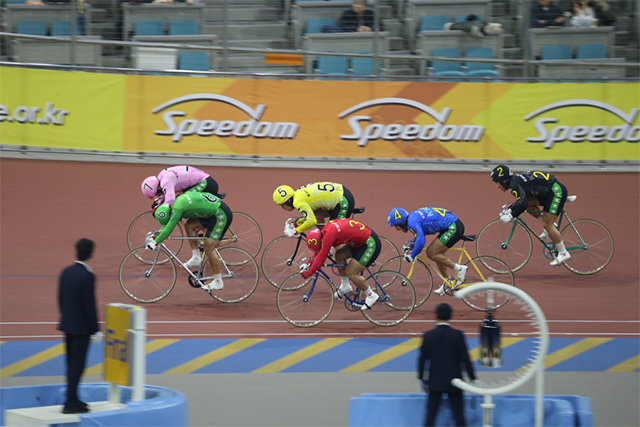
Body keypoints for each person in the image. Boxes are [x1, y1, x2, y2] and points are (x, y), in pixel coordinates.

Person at [146, 192, 233, 291]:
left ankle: (218, 281)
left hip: (220, 215)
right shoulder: (175, 204)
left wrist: (156, 242)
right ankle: (196, 257)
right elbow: (168, 224)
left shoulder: (177, 209)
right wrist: (156, 237)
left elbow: (169, 227)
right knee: (189, 225)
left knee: (209, 248)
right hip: (213, 212)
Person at [490, 164, 571, 266]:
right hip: (548, 191)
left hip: (555, 192)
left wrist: (511, 215)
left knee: (547, 225)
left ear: (504, 180)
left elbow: (522, 204)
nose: (497, 186)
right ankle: (550, 224)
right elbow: (523, 201)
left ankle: (563, 252)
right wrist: (511, 209)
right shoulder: (515, 181)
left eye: (497, 183)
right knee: (528, 205)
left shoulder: (514, 185)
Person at [141, 165, 221, 268]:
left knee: (182, 203)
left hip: (206, 183)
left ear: (157, 188)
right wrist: (159, 202)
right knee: (185, 212)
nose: (157, 196)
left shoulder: (166, 181)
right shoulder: (162, 177)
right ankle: (201, 230)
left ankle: (213, 232)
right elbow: (166, 194)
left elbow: (170, 201)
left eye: (156, 194)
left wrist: (160, 207)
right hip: (201, 182)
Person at [300, 218, 382, 311]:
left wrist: (310, 272)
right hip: (358, 242)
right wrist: (308, 264)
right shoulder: (325, 231)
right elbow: (318, 252)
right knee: (340, 255)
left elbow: (322, 256)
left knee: (351, 272)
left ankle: (371, 294)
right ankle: (345, 285)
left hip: (370, 244)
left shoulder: (329, 236)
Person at [58, 238, 99, 414]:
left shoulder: (66, 272)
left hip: (67, 324)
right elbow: (89, 304)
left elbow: (61, 299)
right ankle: (71, 402)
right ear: (91, 254)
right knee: (78, 365)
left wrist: (66, 316)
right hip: (81, 328)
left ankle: (72, 397)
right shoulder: (88, 276)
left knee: (70, 364)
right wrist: (95, 329)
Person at [418, 303, 476, 427]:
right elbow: (465, 359)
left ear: (436, 316)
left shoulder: (428, 336)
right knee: (458, 414)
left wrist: (421, 378)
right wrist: (472, 377)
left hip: (435, 382)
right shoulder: (457, 335)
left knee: (431, 415)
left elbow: (422, 359)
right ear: (451, 316)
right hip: (455, 381)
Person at [387, 207, 467, 296]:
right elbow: (419, 235)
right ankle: (447, 282)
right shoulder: (412, 218)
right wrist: (411, 246)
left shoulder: (411, 223)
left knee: (432, 253)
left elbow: (421, 240)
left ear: (401, 222)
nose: (397, 229)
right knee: (437, 254)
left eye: (396, 226)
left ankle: (459, 269)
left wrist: (412, 255)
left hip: (453, 227)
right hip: (451, 225)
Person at [273, 182, 355, 237]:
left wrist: (296, 231)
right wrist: (295, 225)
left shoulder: (298, 202)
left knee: (333, 236)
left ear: (288, 201)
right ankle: (328, 241)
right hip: (340, 194)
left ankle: (341, 250)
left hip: (342, 201)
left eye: (282, 205)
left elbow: (311, 221)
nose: (283, 208)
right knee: (317, 217)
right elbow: (310, 216)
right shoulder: (298, 194)